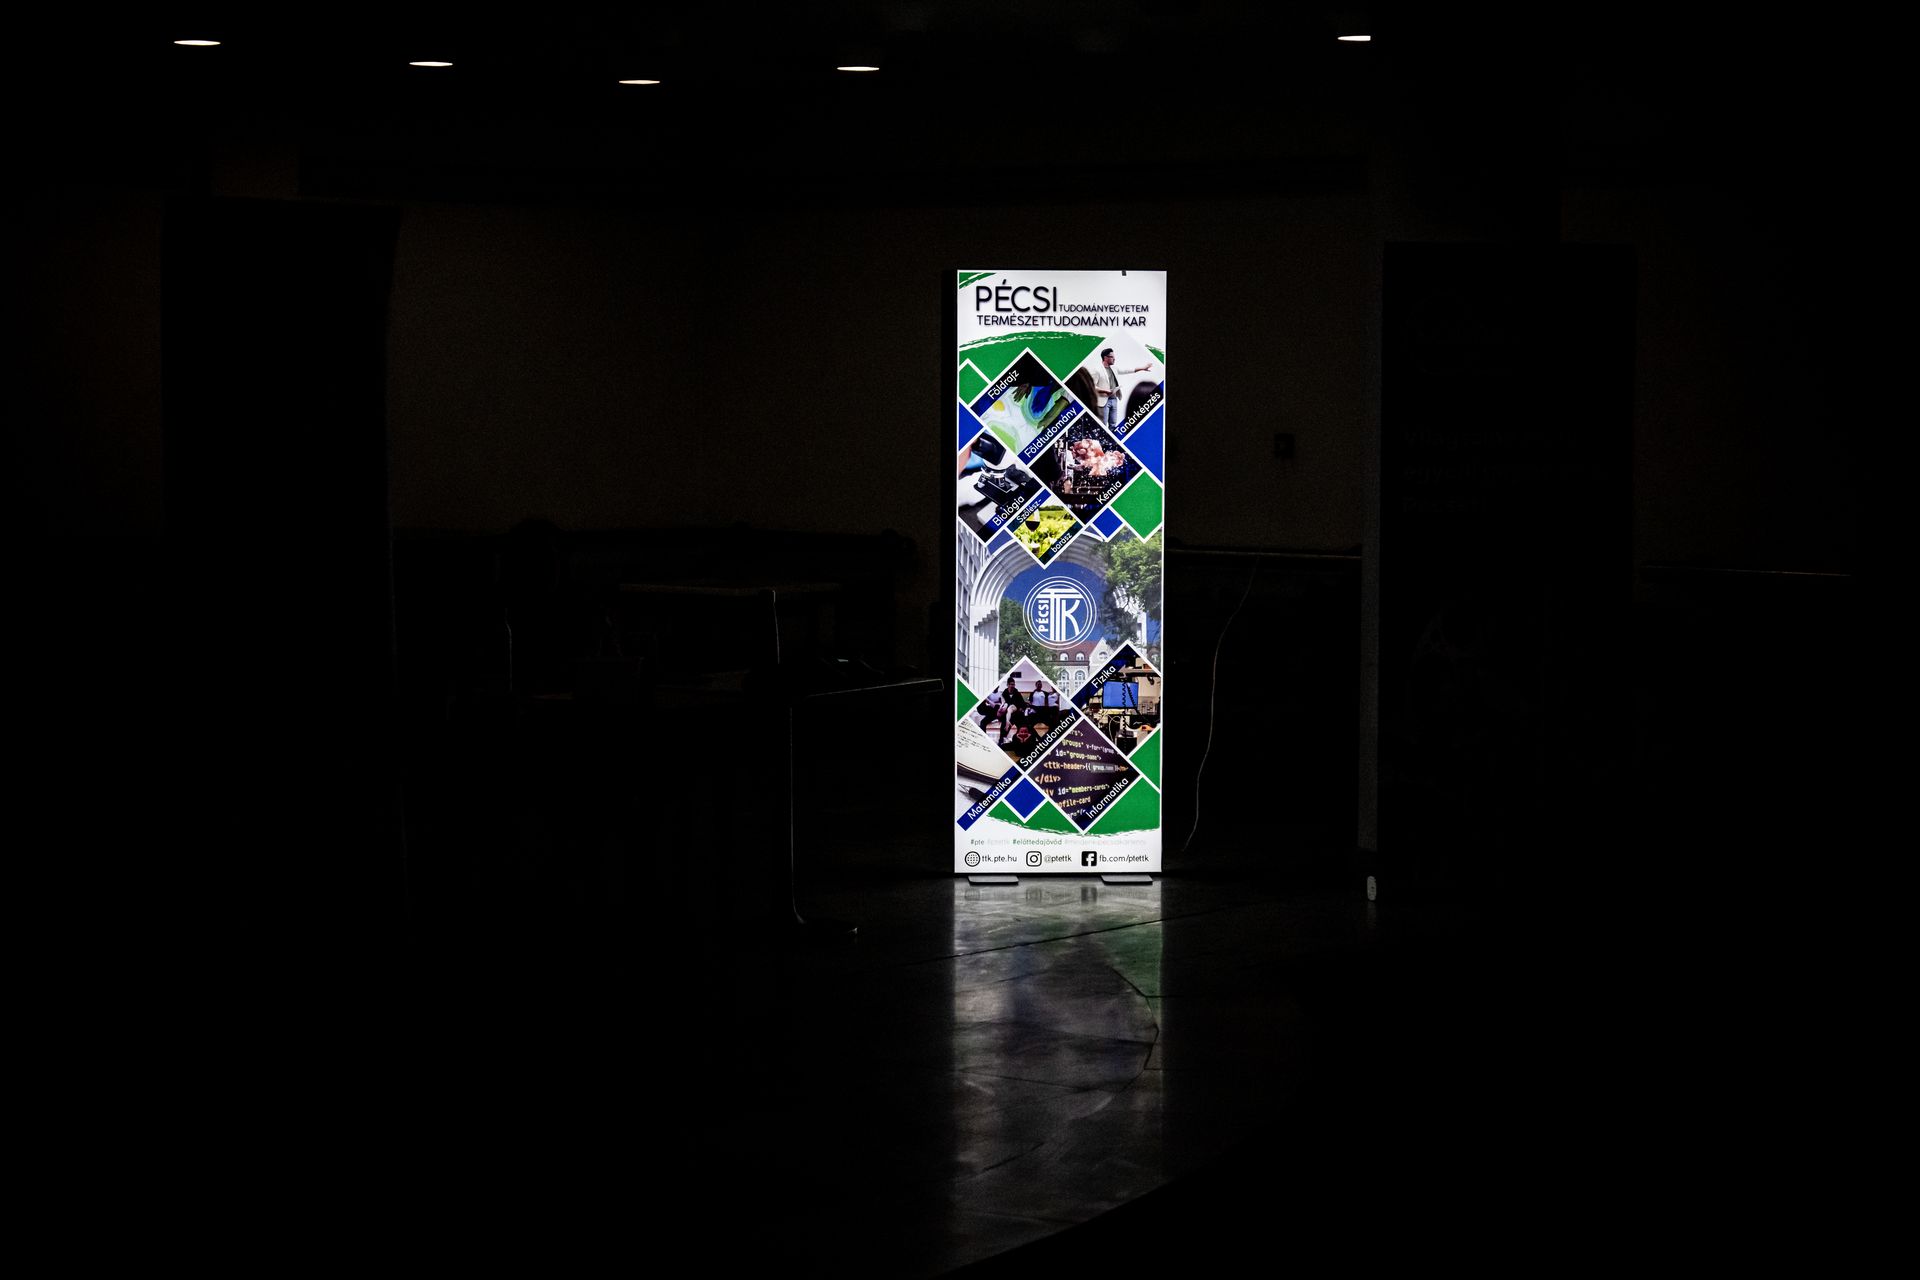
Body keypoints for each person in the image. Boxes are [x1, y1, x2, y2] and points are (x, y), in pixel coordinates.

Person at [1091, 348, 1153, 429]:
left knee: (1113, 424)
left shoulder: (1114, 368)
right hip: (1103, 401)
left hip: (1114, 399)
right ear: (1105, 358)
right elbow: (1092, 386)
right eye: (1112, 357)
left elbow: (1127, 370)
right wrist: (1105, 391)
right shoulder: (1097, 370)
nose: (1114, 359)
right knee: (1103, 425)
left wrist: (1142, 368)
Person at [998, 677, 1027, 746]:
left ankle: (1020, 742)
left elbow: (1023, 704)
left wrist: (1021, 708)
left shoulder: (1017, 693)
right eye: (1011, 684)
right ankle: (1001, 741)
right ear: (1007, 685)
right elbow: (1002, 705)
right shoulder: (1004, 694)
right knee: (1004, 728)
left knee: (1022, 728)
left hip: (1017, 715)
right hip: (1008, 715)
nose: (1012, 686)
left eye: (1013, 684)